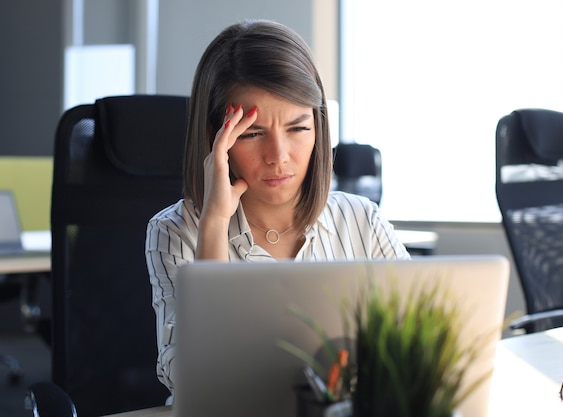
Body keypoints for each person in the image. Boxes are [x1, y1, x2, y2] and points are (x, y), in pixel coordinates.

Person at [145, 19, 410, 394]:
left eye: (298, 128)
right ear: (215, 139)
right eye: (252, 133)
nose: (279, 156)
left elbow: (419, 344)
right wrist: (215, 224)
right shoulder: (175, 231)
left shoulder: (361, 219)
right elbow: (194, 379)